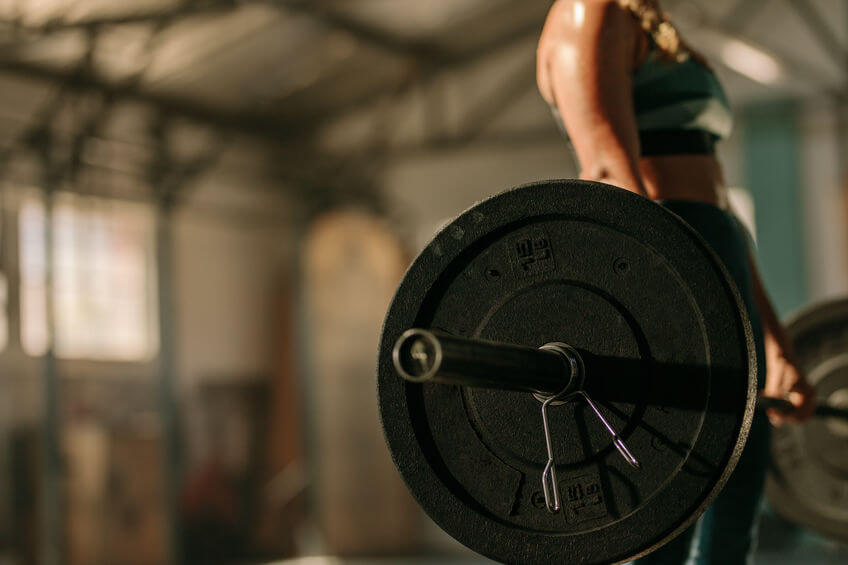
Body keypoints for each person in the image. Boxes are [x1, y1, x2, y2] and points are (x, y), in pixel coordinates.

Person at [536, 1, 816, 563]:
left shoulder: (649, 21)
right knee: (673, 490)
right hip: (665, 260)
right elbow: (608, 172)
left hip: (714, 247)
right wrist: (669, 304)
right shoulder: (588, 11)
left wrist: (774, 337)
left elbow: (718, 203)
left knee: (739, 480)